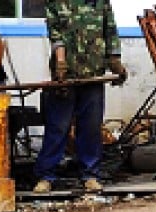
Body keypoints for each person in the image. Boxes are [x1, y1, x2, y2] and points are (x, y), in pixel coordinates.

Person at [32, 0, 128, 194]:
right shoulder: (56, 3)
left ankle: (90, 175)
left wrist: (115, 59)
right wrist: (60, 63)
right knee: (58, 126)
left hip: (93, 73)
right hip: (65, 74)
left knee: (91, 126)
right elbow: (55, 33)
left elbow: (110, 30)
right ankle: (46, 176)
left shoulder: (100, 3)